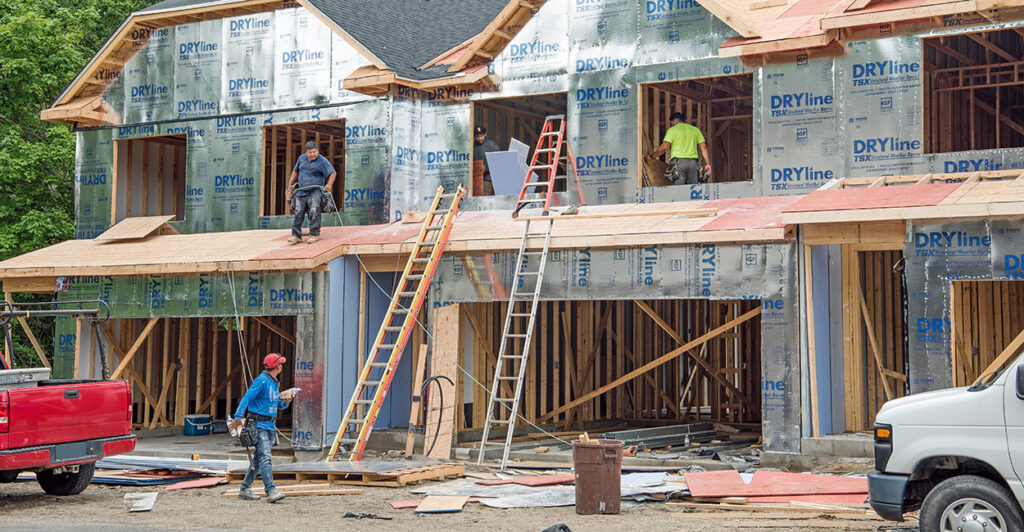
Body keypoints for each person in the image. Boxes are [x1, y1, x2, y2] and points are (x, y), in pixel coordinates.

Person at [229, 353, 293, 503]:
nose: (282, 365)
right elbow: (247, 397)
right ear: (277, 366)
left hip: (269, 425)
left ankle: (245, 489)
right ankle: (271, 491)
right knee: (265, 458)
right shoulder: (262, 381)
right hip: (259, 425)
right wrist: (238, 417)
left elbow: (277, 404)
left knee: (258, 459)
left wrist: (286, 402)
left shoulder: (274, 383)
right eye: (280, 363)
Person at [287, 141, 336, 244]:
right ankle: (296, 236)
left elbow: (332, 173)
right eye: (310, 152)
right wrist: (290, 185)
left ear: (317, 151)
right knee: (298, 211)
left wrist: (329, 185)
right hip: (301, 190)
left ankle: (314, 234)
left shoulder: (322, 160)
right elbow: (295, 171)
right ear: (306, 152)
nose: (313, 154)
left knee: (314, 210)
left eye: (314, 152)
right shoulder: (301, 159)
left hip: (315, 190)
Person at [645, 112, 712, 185]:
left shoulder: (672, 130)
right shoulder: (695, 130)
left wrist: (652, 156)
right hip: (693, 164)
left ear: (675, 121)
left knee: (679, 190)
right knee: (692, 190)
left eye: (672, 123)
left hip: (679, 164)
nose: (672, 125)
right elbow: (704, 147)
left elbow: (663, 148)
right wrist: (708, 163)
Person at [472, 126, 499, 196]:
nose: (479, 138)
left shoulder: (491, 145)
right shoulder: (472, 146)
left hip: (486, 179)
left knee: (484, 198)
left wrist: (486, 168)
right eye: (477, 137)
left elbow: (497, 160)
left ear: (485, 135)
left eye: (481, 136)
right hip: (475, 179)